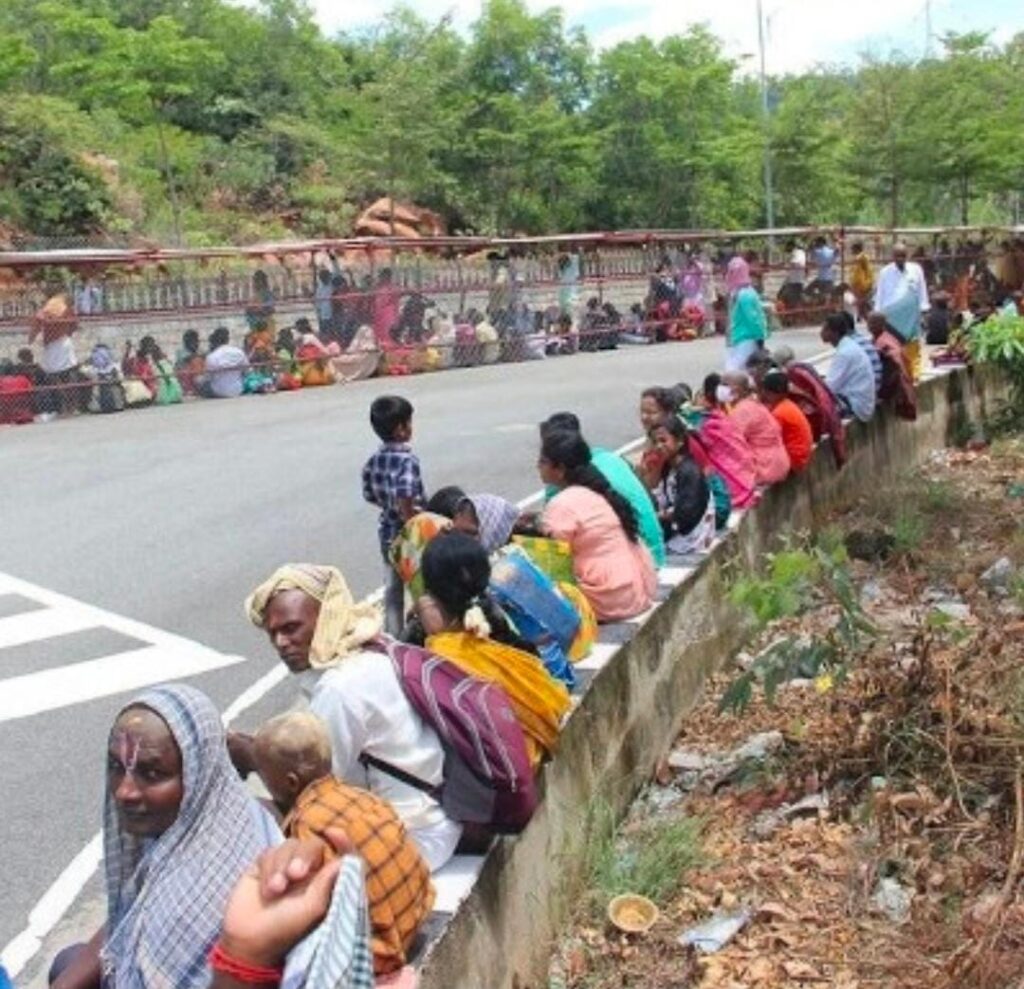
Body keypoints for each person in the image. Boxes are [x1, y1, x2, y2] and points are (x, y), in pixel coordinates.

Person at [50, 685, 279, 989]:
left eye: (152, 773)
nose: (123, 791)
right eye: (116, 766)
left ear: (197, 774)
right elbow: (132, 910)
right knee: (69, 962)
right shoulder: (231, 809)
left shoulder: (193, 905)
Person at [240, 564, 463, 871]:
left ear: (326, 620)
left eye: (291, 628)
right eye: (273, 633)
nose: (280, 643)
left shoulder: (340, 689)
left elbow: (310, 790)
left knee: (259, 825)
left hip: (414, 841)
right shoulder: (372, 649)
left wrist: (253, 759)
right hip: (436, 819)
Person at [252, 712, 434, 978]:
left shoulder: (306, 828)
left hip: (381, 955)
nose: (264, 783)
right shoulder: (363, 797)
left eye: (264, 775)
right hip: (416, 920)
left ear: (291, 782)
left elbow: (314, 913)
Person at [417, 533, 571, 766]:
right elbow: (553, 698)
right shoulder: (498, 630)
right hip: (527, 753)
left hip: (498, 769)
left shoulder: (439, 655)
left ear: (432, 596)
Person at [537, 430, 657, 622]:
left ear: (559, 469)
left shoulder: (562, 504)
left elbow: (552, 561)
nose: (538, 467)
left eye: (542, 462)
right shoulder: (600, 493)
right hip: (636, 591)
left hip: (608, 600)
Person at [543, 411, 666, 567]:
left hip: (639, 565)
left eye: (543, 459)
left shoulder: (566, 487)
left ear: (559, 464)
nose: (538, 464)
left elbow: (554, 538)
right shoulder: (607, 457)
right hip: (653, 554)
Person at [361, 395, 425, 635]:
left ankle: (393, 635)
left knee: (392, 588)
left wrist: (389, 506)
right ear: (401, 429)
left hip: (386, 530)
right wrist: (411, 520)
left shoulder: (373, 461)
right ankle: (427, 631)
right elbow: (406, 494)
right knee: (420, 585)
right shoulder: (407, 460)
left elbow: (369, 494)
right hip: (408, 532)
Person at [687, 374, 760, 510]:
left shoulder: (705, 423)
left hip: (732, 485)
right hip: (747, 474)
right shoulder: (722, 414)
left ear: (705, 395)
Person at [648, 417, 717, 555]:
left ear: (679, 441)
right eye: (655, 442)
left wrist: (660, 516)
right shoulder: (669, 467)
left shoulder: (689, 472)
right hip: (682, 529)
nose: (658, 446)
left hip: (693, 537)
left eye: (663, 440)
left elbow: (686, 514)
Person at [719, 372, 790, 485]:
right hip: (777, 464)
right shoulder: (752, 403)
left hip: (765, 469)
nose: (720, 389)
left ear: (736, 389)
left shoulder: (742, 410)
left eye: (724, 384)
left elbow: (729, 443)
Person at [874, 242, 930, 382]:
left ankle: (914, 376)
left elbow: (922, 292)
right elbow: (880, 296)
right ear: (892, 256)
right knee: (894, 348)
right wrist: (877, 315)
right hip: (891, 318)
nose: (900, 259)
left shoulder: (916, 269)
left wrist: (924, 311)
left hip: (911, 317)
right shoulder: (885, 272)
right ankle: (899, 376)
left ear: (907, 255)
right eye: (897, 256)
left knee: (913, 346)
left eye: (903, 256)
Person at [29, 291, 87, 416]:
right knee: (69, 375)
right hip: (64, 342)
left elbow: (37, 321)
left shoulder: (48, 308)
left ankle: (66, 407)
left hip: (54, 345)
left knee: (57, 377)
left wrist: (31, 338)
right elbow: (75, 324)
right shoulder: (65, 308)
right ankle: (72, 407)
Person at [821, 312, 876, 423]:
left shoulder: (844, 353)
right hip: (863, 402)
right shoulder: (849, 346)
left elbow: (829, 388)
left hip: (857, 405)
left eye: (825, 329)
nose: (821, 333)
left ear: (835, 333)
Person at [759, 369, 814, 472]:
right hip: (801, 456)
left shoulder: (779, 413)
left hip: (794, 459)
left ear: (769, 392)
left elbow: (768, 440)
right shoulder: (788, 404)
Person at [867, 312, 917, 421]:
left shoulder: (885, 342)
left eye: (874, 323)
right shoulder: (877, 340)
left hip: (891, 385)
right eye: (869, 323)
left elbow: (897, 362)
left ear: (883, 325)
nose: (870, 326)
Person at [724, 256, 768, 372]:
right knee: (742, 367)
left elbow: (749, 318)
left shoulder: (739, 294)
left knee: (735, 366)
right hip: (746, 336)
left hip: (742, 336)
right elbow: (753, 318)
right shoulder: (746, 292)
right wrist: (761, 335)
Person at [198, 327, 249, 399]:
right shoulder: (239, 352)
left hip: (218, 392)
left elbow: (208, 377)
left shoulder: (212, 356)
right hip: (238, 389)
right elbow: (246, 371)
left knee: (199, 381)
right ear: (228, 339)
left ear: (215, 341)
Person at [174, 329, 204, 395]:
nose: (196, 343)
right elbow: (186, 359)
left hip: (198, 377)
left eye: (196, 340)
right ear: (187, 342)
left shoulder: (199, 351)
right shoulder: (180, 352)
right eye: (193, 341)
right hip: (186, 378)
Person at [849, 241, 875, 319]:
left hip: (862, 283)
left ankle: (863, 315)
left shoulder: (861, 257)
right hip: (860, 283)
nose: (851, 251)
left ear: (857, 249)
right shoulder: (861, 257)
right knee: (860, 300)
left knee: (861, 300)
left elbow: (864, 271)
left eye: (853, 249)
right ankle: (860, 315)